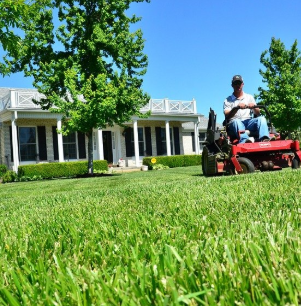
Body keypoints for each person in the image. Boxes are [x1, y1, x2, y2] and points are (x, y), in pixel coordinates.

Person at [223, 75, 270, 143]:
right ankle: (245, 140)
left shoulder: (249, 97)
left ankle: (265, 138)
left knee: (262, 118)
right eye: (235, 83)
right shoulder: (228, 100)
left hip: (248, 122)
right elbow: (227, 114)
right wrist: (236, 108)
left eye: (239, 83)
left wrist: (254, 106)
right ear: (232, 85)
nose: (237, 85)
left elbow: (257, 113)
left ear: (242, 84)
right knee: (236, 121)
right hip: (234, 124)